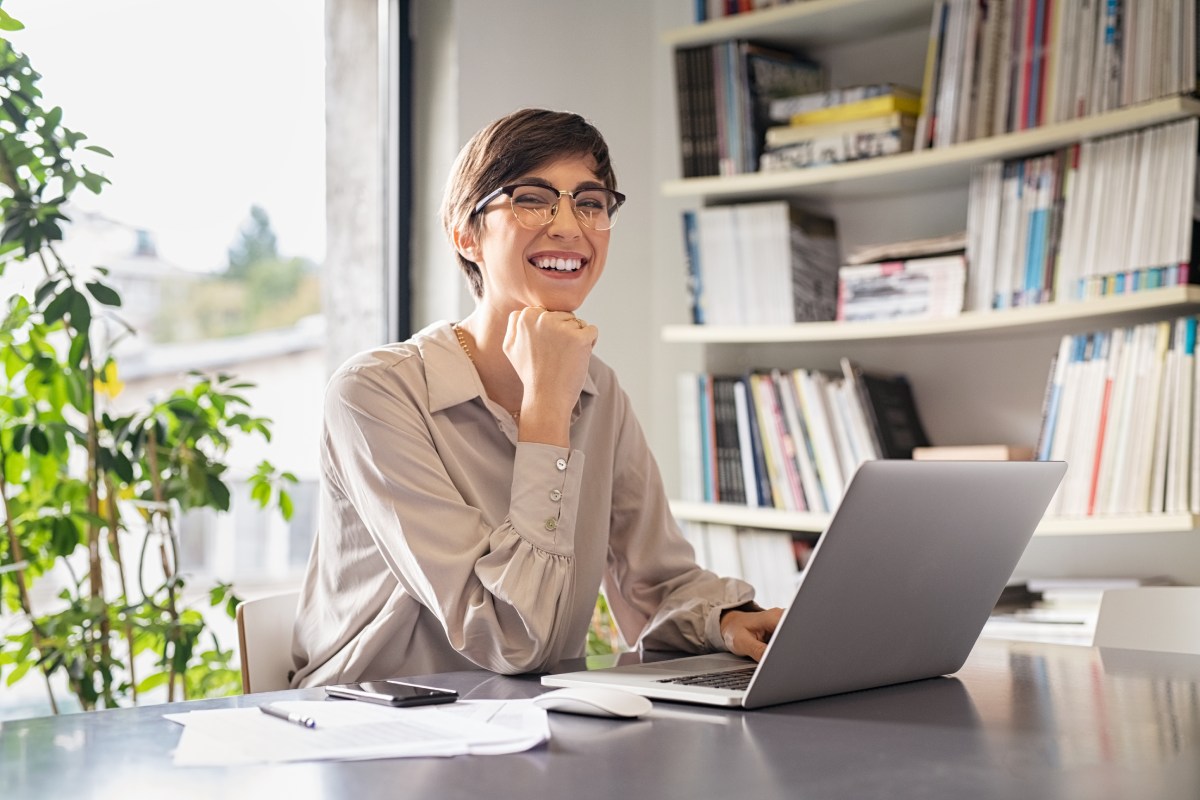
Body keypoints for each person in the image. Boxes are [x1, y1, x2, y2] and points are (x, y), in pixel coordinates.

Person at [290, 108, 782, 688]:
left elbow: (654, 584)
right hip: (371, 734)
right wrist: (546, 409)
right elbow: (508, 639)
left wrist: (726, 621)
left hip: (523, 721)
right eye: (533, 198)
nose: (570, 226)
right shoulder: (373, 394)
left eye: (591, 203)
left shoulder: (600, 390)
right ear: (465, 233)